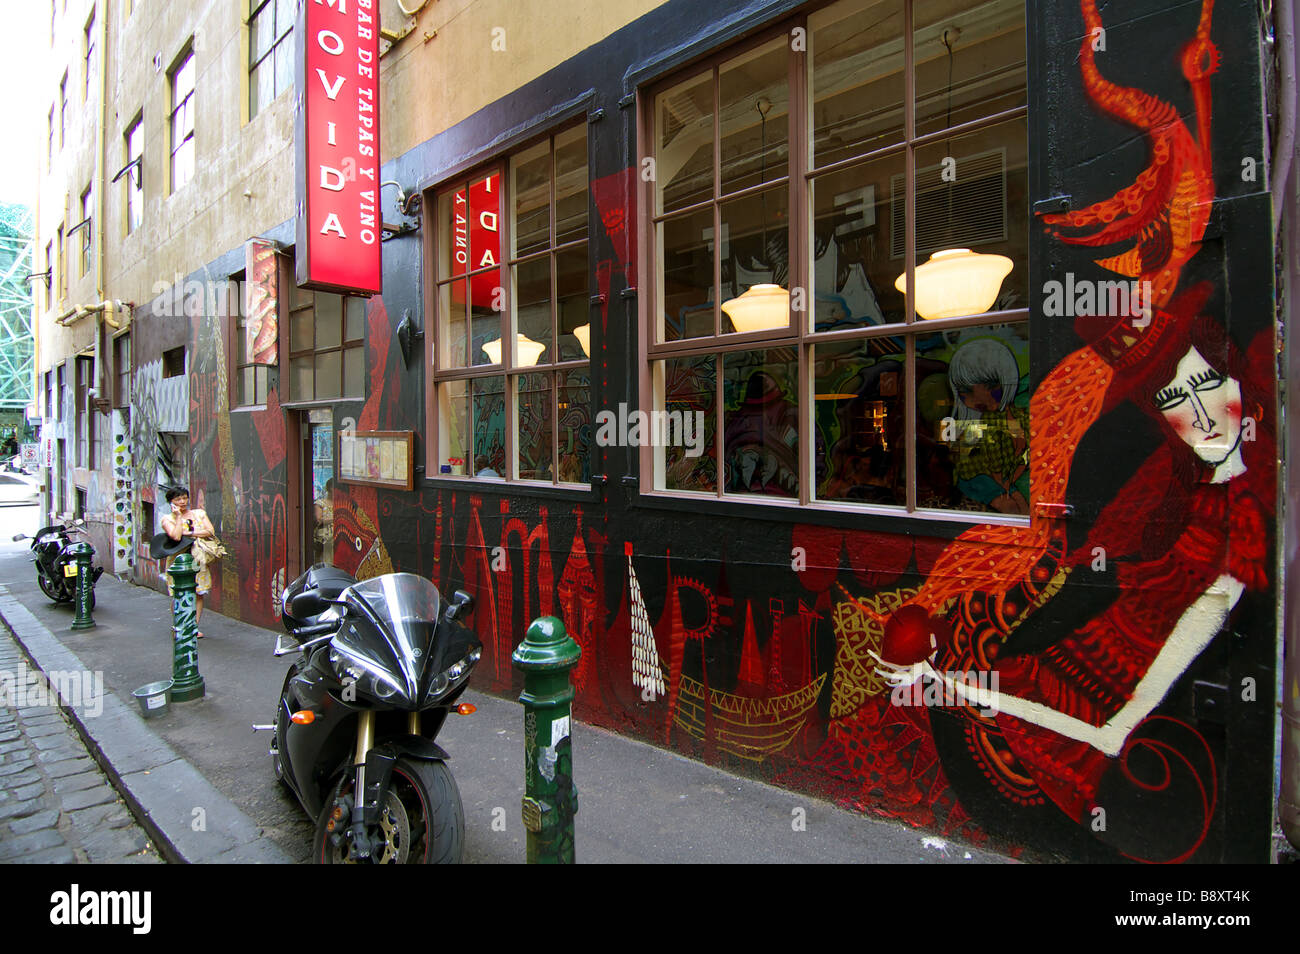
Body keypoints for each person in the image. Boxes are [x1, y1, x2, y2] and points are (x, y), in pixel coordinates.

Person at [161, 486, 223, 638]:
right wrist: (179, 518)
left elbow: (210, 531)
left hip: (198, 558)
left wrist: (189, 533)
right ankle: (179, 625)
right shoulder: (167, 519)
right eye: (178, 499)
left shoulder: (199, 514)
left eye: (184, 498)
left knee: (198, 593)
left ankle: (194, 626)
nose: (182, 502)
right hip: (178, 561)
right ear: (171, 502)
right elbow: (175, 536)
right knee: (178, 593)